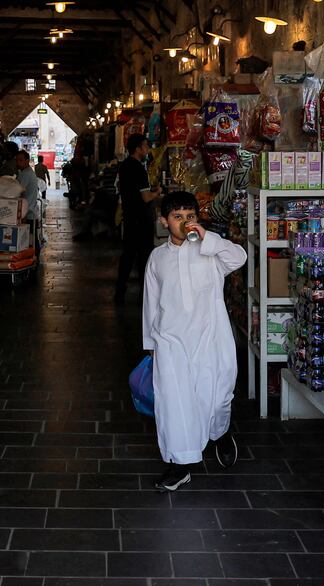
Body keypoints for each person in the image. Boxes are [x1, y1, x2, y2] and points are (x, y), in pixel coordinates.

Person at [142, 191, 247, 491]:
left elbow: (239, 257)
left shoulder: (210, 251)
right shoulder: (157, 258)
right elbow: (151, 303)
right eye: (177, 217)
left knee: (218, 397)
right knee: (174, 403)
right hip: (171, 341)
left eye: (190, 216)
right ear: (164, 221)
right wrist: (151, 344)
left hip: (211, 337)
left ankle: (220, 432)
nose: (184, 222)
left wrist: (207, 237)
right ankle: (180, 465)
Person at [116, 134, 161, 300]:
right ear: (138, 148)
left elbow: (129, 190)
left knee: (128, 255)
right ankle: (144, 295)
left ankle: (120, 291)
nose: (147, 149)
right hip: (141, 220)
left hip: (129, 216)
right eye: (145, 146)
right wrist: (157, 192)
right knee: (144, 257)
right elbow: (146, 198)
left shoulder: (124, 166)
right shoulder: (139, 169)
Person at [15, 150, 41, 221]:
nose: (18, 163)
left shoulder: (26, 174)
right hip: (30, 213)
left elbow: (17, 192)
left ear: (27, 160)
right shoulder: (26, 172)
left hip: (28, 215)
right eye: (17, 160)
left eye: (21, 160)